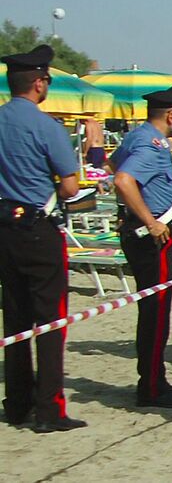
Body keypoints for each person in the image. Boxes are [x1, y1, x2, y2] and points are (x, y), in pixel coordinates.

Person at [0, 45, 87, 433]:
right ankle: (50, 408)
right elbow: (70, 186)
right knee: (51, 321)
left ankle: (16, 402)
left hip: (4, 226)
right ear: (39, 83)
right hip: (39, 229)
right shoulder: (46, 126)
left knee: (14, 317)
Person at [110, 83, 172, 408]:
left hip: (147, 231)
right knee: (156, 311)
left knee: (153, 310)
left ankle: (155, 378)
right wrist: (148, 219)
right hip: (153, 237)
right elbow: (122, 179)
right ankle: (151, 386)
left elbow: (114, 167)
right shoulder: (151, 143)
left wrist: (127, 210)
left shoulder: (136, 136)